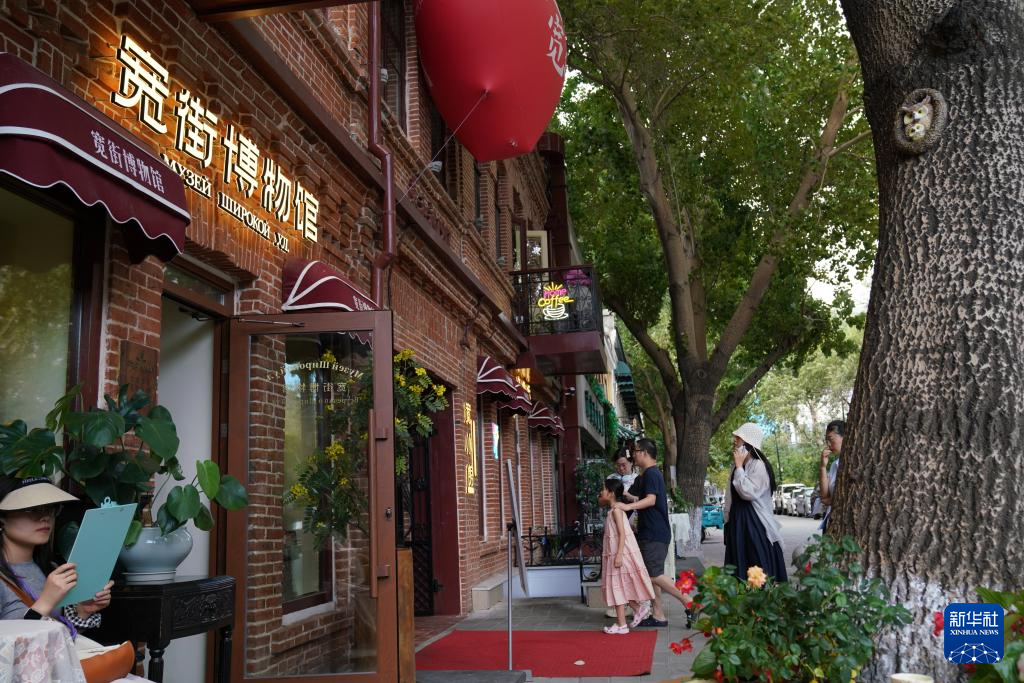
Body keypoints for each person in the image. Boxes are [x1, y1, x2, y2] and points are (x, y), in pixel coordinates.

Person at [0, 475, 114, 633]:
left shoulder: (50, 569)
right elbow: (13, 643)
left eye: (50, 508)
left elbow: (57, 639)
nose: (45, 517)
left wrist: (83, 611)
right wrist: (47, 601)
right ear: (2, 518)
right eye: (32, 509)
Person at [614, 439, 689, 627]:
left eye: (636, 451)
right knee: (651, 573)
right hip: (650, 532)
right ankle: (658, 614)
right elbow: (641, 499)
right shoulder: (646, 476)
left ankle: (689, 601)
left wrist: (628, 505)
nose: (633, 455)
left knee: (652, 574)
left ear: (645, 453)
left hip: (655, 533)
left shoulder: (652, 473)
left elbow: (651, 500)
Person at [724, 423, 787, 582]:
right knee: (739, 562)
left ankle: (761, 595)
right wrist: (727, 518)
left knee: (756, 562)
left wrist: (739, 467)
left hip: (754, 522)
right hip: (738, 521)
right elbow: (730, 495)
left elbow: (748, 493)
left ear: (748, 442)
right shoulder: (737, 466)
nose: (734, 441)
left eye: (738, 438)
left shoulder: (758, 465)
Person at [598, 478, 655, 634]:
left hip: (618, 555)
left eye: (603, 489)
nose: (601, 492)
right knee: (619, 587)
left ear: (610, 493)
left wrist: (618, 555)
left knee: (617, 587)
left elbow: (622, 534)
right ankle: (637, 610)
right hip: (615, 554)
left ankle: (622, 624)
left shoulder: (616, 511)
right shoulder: (613, 510)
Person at [818, 420, 845, 532]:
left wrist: (833, 500)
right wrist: (823, 467)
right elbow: (824, 497)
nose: (828, 445)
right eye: (827, 440)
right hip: (832, 522)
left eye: (831, 439)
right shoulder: (834, 465)